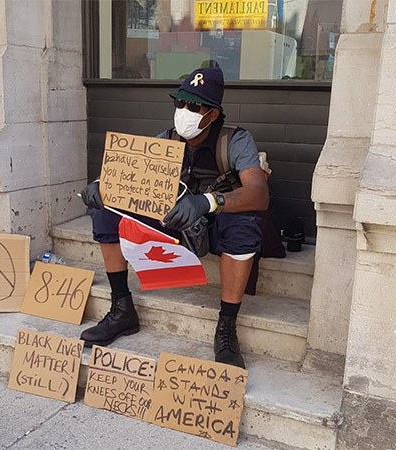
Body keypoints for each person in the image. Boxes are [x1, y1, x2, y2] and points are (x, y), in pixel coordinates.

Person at [79, 65, 269, 368]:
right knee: (105, 211)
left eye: (193, 106)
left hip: (215, 220)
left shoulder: (236, 140)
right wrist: (101, 187)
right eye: (179, 103)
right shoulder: (165, 140)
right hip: (174, 222)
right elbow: (130, 181)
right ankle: (121, 308)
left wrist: (208, 202)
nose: (184, 110)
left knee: (245, 226)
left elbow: (259, 194)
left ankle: (226, 327)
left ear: (213, 114)